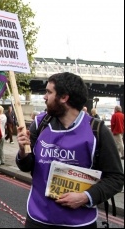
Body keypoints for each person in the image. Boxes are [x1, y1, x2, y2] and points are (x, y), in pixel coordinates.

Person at [16, 72, 124, 227]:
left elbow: (116, 178)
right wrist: (22, 151)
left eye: (49, 92)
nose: (44, 97)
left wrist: (85, 197)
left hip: (79, 222)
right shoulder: (40, 124)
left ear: (64, 98)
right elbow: (26, 166)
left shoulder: (97, 130)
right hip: (38, 219)